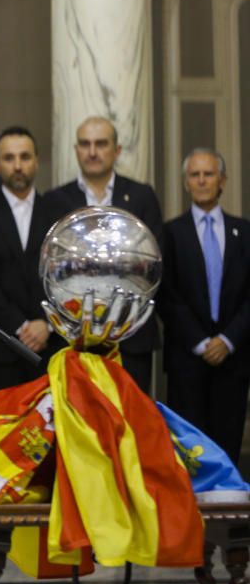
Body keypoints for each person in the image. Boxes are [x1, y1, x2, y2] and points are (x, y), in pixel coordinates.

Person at [52, 116, 162, 393]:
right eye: (85, 144)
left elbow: (155, 265)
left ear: (117, 150)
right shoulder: (56, 200)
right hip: (75, 340)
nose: (92, 151)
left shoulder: (141, 196)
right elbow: (49, 267)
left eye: (101, 144)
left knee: (131, 425)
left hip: (132, 338)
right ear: (76, 149)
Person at [0, 126, 72, 394]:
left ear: (36, 160)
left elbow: (68, 276)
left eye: (25, 157)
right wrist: (21, 326)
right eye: (9, 159)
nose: (18, 165)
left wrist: (46, 324)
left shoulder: (58, 213)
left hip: (51, 347)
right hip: (0, 348)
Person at [160, 149, 250, 464]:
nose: (201, 181)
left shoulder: (245, 232)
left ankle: (227, 513)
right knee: (189, 454)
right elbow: (166, 295)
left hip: (233, 359)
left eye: (208, 174)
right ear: (186, 182)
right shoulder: (170, 233)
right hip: (187, 359)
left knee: (228, 449)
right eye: (195, 175)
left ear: (222, 180)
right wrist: (201, 342)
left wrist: (227, 340)